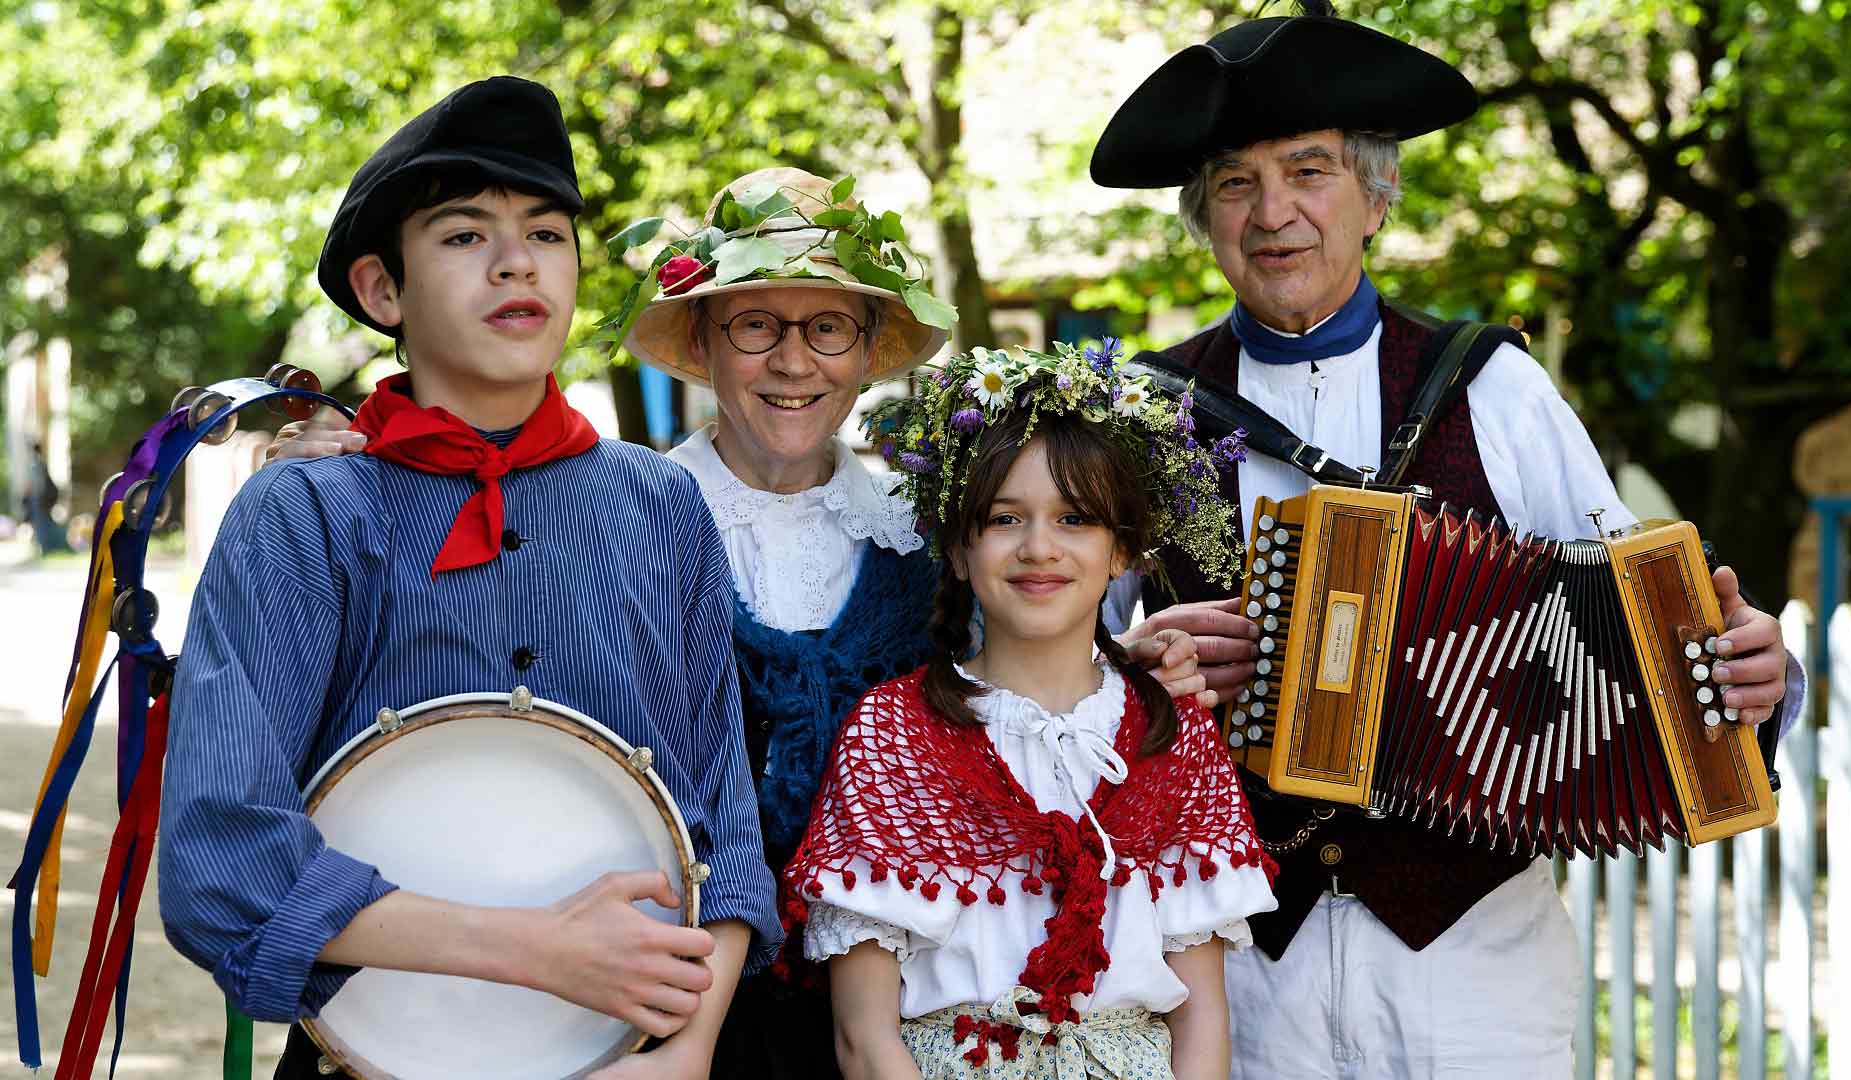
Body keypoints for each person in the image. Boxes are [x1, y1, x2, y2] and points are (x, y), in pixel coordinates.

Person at [268, 165, 1216, 1079]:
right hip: (641, 1000)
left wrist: (1118, 666)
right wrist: (348, 477)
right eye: (756, 325)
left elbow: (1010, 688)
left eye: (830, 328)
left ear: (867, 350)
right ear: (707, 344)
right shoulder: (607, 518)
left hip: (885, 1007)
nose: (793, 361)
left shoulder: (934, 538)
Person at [1088, 5, 1802, 1076]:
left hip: (1478, 958)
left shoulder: (1492, 387)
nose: (1274, 211)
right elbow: (1032, 678)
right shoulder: (1146, 413)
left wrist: (1750, 674)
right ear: (1205, 216)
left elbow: (1639, 626)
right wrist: (1132, 680)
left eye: (1309, 171)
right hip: (1234, 958)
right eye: (1236, 182)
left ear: (1375, 198)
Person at [157, 76, 777, 1080]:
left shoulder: (660, 505)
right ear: (381, 291)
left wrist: (688, 1053)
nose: (513, 261)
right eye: (462, 235)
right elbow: (220, 860)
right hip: (371, 1059)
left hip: (632, 1060)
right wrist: (541, 948)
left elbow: (724, 815)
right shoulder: (304, 517)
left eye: (544, 231)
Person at [783, 342, 1275, 1080]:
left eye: (1075, 519)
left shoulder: (1171, 734)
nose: (1039, 548)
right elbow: (864, 1038)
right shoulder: (894, 736)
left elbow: (1203, 1015)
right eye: (1005, 519)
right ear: (957, 549)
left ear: (1121, 552)